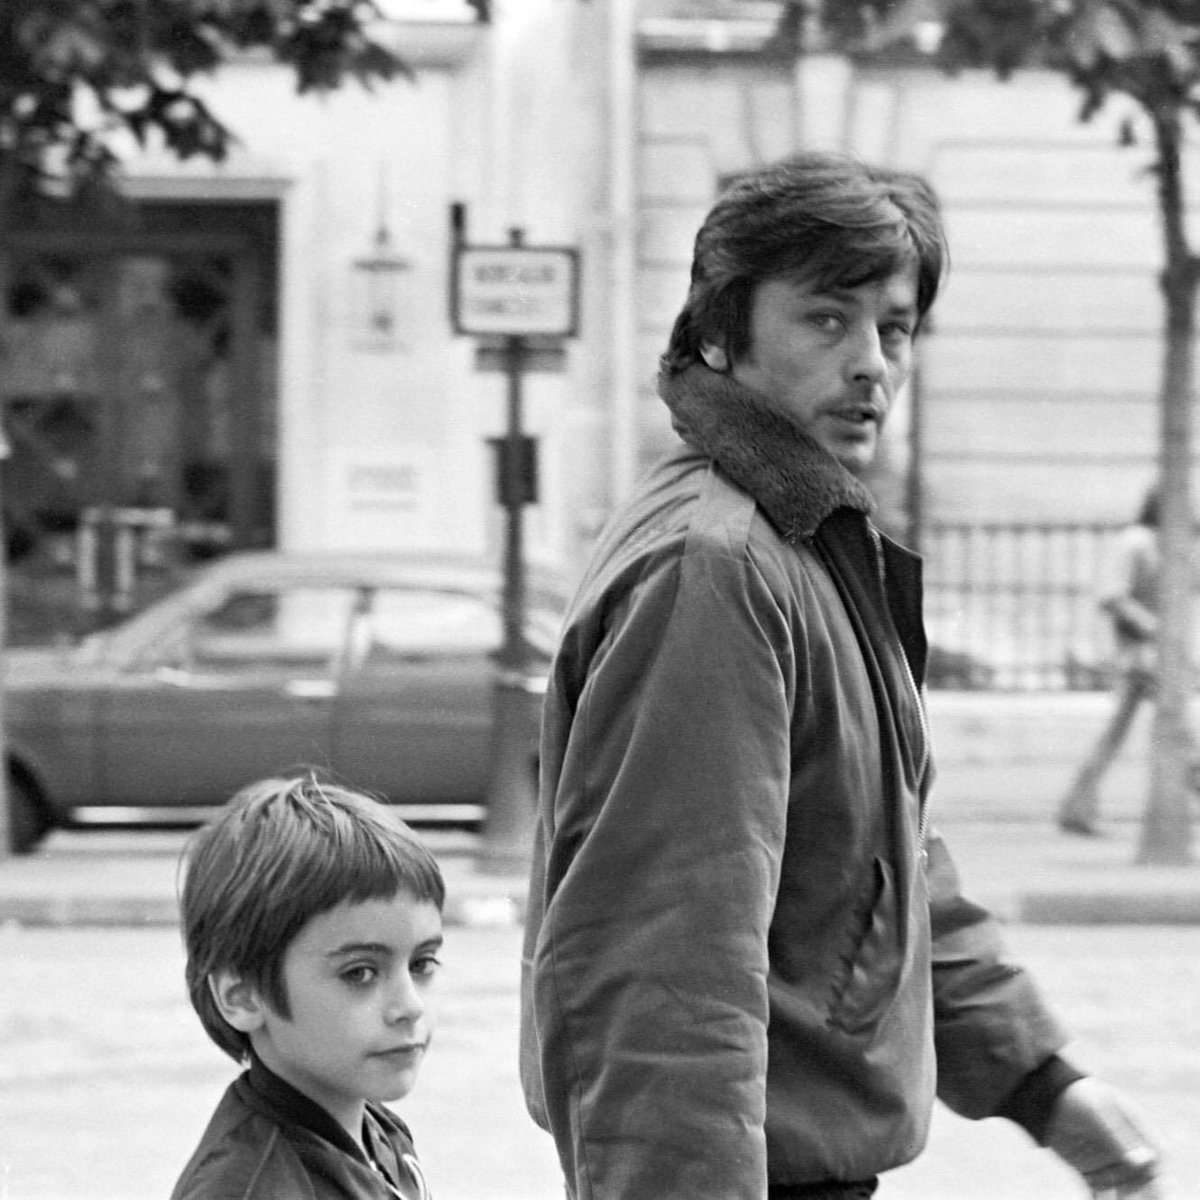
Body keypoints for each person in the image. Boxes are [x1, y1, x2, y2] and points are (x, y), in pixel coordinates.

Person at [519, 152, 1162, 1199]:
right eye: (826, 319)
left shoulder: (800, 540)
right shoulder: (715, 569)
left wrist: (1042, 1084)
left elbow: (873, 866)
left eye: (895, 328)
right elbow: (663, 967)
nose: (872, 363)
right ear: (723, 333)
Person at [171, 775, 444, 1200]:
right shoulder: (250, 1187)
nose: (409, 1006)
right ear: (241, 996)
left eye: (421, 964)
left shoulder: (378, 1130)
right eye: (359, 973)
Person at [1058, 487, 1161, 836]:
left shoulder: (1160, 541)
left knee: (1121, 733)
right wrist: (1153, 627)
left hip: (1151, 655)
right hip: (1141, 655)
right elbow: (1112, 595)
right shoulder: (1137, 542)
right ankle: (1076, 806)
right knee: (1183, 732)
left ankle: (1077, 806)